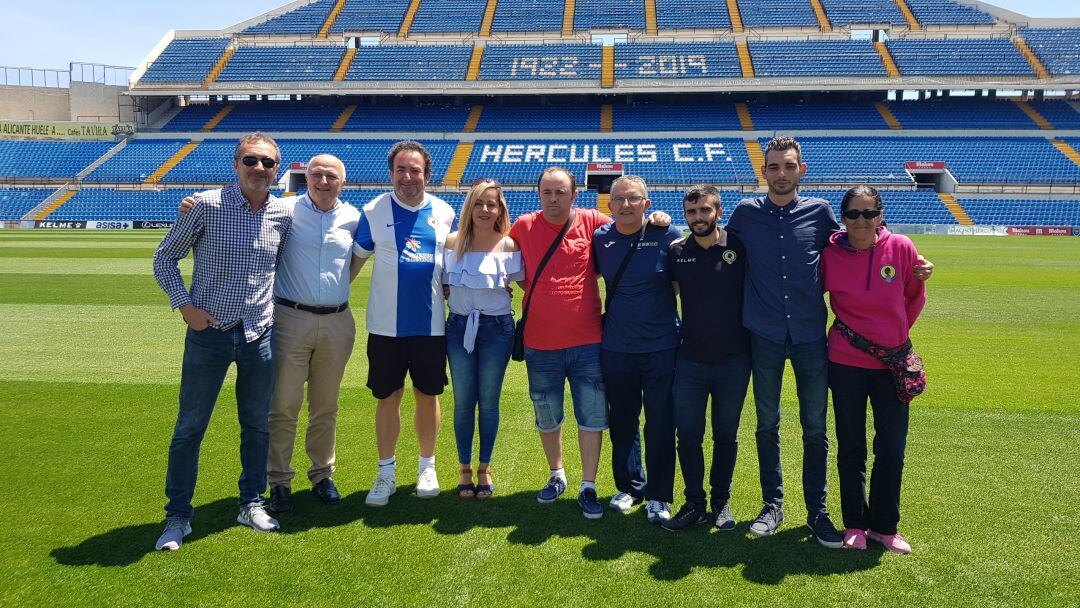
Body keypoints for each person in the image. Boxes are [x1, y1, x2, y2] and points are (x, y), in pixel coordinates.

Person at [727, 136, 933, 548]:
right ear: (763, 172)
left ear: (801, 170)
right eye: (773, 167)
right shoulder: (745, 214)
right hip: (764, 334)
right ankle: (773, 505)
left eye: (788, 166)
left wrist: (909, 258)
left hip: (809, 337)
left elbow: (859, 236)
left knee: (815, 429)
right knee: (767, 424)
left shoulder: (820, 213)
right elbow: (716, 244)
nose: (781, 174)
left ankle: (817, 512)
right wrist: (662, 223)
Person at [152, 132, 292, 550]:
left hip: (258, 335)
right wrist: (185, 307)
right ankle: (178, 516)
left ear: (277, 170)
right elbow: (164, 258)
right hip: (209, 334)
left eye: (267, 163)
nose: (259, 169)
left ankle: (250, 501)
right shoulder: (208, 206)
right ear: (236, 165)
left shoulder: (283, 214)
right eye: (251, 160)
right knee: (190, 427)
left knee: (256, 424)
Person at [509, 166, 669, 520]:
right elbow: (493, 249)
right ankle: (557, 474)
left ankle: (589, 484)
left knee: (593, 416)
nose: (554, 199)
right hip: (540, 342)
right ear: (538, 195)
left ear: (575, 195)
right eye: (547, 192)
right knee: (547, 414)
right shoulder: (522, 226)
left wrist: (657, 217)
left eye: (561, 192)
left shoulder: (595, 222)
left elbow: (630, 225)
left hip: (590, 341)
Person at [822, 186, 925, 554]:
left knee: (892, 449)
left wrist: (894, 338)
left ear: (880, 215)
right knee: (851, 447)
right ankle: (855, 524)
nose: (861, 221)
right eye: (853, 214)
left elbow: (915, 295)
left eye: (868, 213)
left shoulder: (902, 247)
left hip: (891, 365)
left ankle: (885, 526)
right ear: (843, 217)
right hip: (845, 362)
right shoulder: (830, 255)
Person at [354, 140, 455, 507]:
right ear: (391, 173)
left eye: (415, 170)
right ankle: (386, 472)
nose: (407, 177)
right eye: (401, 170)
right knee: (387, 397)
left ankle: (427, 466)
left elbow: (454, 264)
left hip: (430, 328)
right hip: (385, 327)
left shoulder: (444, 212)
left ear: (427, 175)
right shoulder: (373, 210)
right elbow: (353, 260)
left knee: (428, 396)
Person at [661, 186, 751, 533]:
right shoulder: (676, 252)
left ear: (718, 210)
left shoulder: (738, 247)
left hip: (734, 361)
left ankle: (721, 502)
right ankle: (694, 503)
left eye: (704, 211)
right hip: (690, 361)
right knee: (688, 436)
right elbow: (668, 295)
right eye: (691, 212)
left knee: (726, 436)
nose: (698, 218)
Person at [592, 175, 681, 524]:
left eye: (633, 199)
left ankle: (660, 494)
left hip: (662, 346)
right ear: (609, 205)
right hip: (616, 347)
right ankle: (630, 486)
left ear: (647, 203)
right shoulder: (601, 239)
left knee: (660, 422)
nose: (626, 205)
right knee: (623, 421)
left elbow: (677, 285)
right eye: (619, 200)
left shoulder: (668, 235)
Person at [442, 180, 522, 500]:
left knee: (488, 402)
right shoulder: (451, 242)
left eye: (492, 204)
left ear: (500, 209)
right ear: (469, 207)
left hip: (497, 330)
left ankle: (484, 467)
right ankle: (464, 467)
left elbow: (528, 286)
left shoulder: (509, 246)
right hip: (459, 328)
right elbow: (439, 284)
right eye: (479, 203)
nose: (485, 210)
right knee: (464, 402)